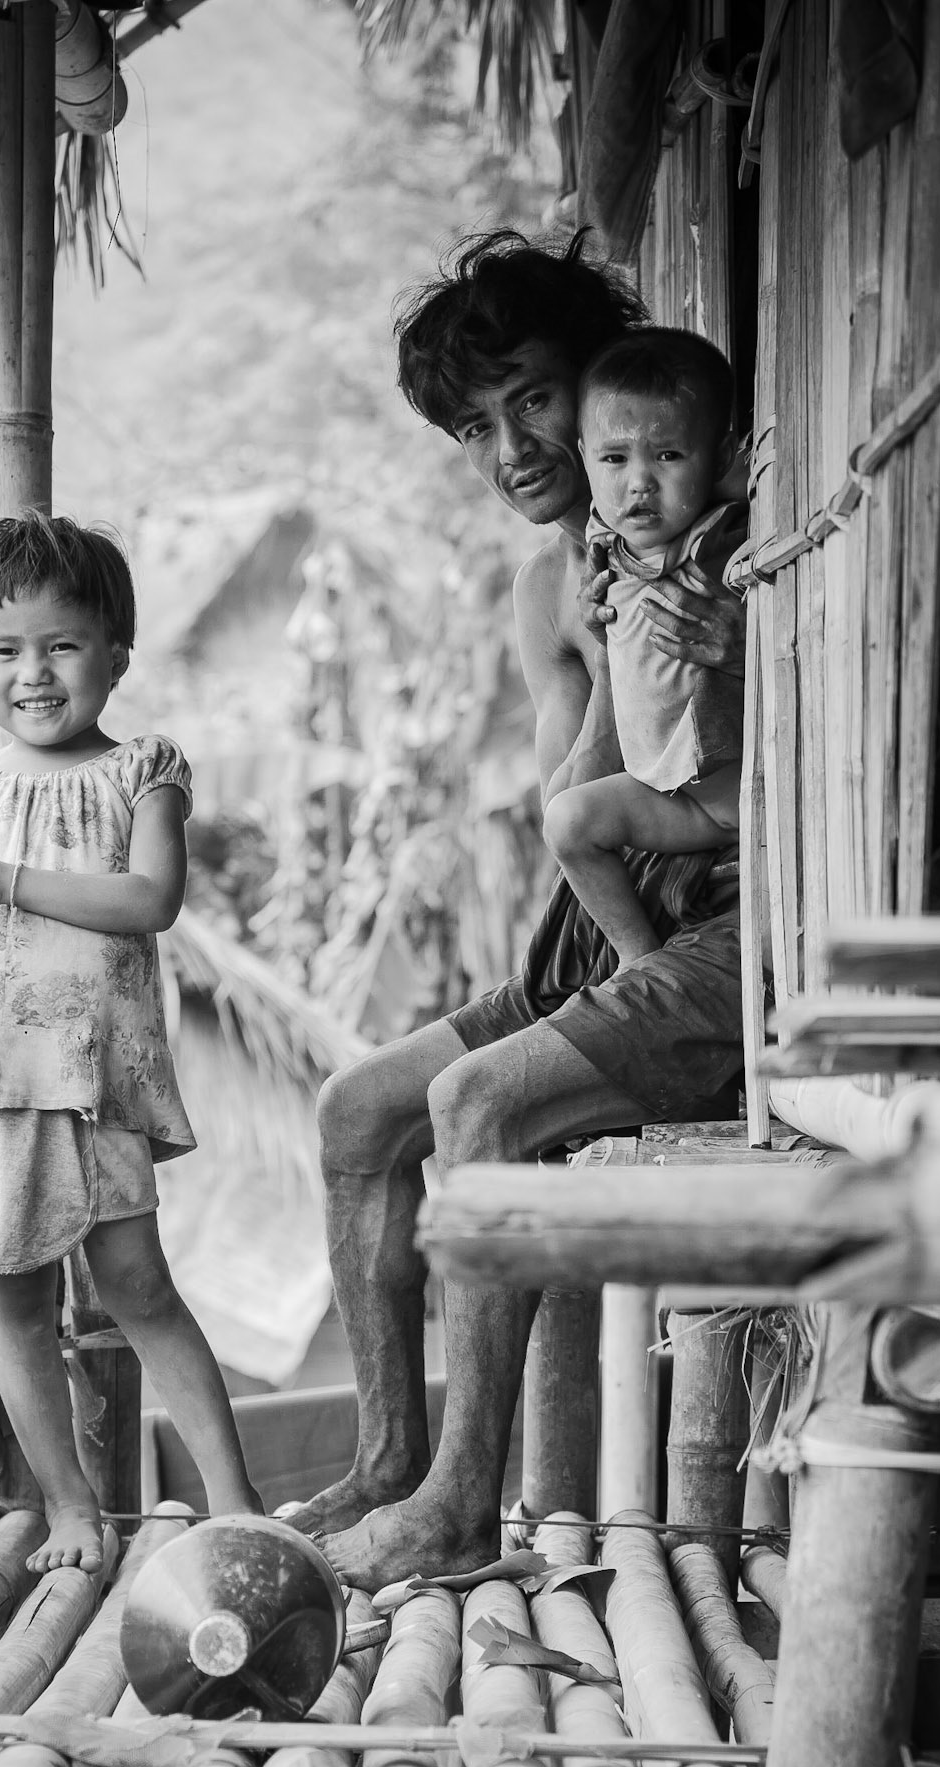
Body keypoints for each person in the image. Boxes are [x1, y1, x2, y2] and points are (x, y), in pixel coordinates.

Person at [282, 230, 747, 1591]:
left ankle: (457, 1506)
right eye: (477, 428)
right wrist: (597, 648)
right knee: (358, 1111)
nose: (513, 448)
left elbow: (669, 774)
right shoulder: (546, 583)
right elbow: (571, 789)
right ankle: (385, 1458)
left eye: (531, 399)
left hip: (719, 922)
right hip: (595, 928)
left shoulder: (710, 533)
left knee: (477, 1106)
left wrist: (623, 639)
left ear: (597, 377)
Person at [0, 511, 262, 1575]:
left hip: (90, 1086)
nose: (35, 671)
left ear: (115, 655)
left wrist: (1, 880)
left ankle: (235, 1499)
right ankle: (70, 1510)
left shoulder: (141, 767)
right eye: (4, 650)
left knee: (140, 1286)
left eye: (61, 644)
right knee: (16, 1296)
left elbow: (150, 899)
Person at [543, 328, 747, 964]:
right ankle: (637, 958)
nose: (639, 483)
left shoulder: (726, 539)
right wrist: (591, 614)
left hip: (750, 790)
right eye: (614, 459)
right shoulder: (604, 544)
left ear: (717, 457)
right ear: (583, 455)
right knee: (567, 821)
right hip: (676, 801)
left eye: (667, 457)